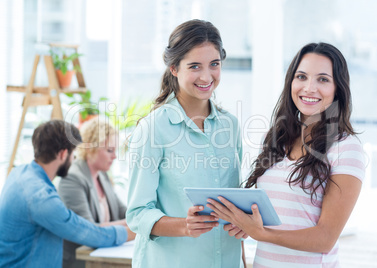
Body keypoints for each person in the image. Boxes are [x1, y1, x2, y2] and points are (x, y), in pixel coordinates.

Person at [207, 42, 366, 267]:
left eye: (323, 79)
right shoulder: (276, 140)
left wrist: (261, 234)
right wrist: (245, 223)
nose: (309, 88)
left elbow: (325, 238)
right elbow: (275, 216)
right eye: (301, 77)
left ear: (337, 89)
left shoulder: (346, 149)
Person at [125, 19, 246, 268]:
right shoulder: (153, 129)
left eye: (214, 64)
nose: (206, 76)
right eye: (194, 66)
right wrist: (184, 225)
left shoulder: (230, 125)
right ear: (174, 68)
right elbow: (137, 214)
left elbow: (233, 201)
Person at [0, 120, 134, 268]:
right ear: (64, 154)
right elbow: (85, 231)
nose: (74, 159)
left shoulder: (19, 173)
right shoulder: (40, 197)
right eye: (73, 154)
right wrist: (136, 231)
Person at [59, 118, 135, 268]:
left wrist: (138, 216)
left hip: (102, 255)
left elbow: (124, 212)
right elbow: (88, 228)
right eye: (109, 150)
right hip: (79, 260)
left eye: (115, 150)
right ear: (90, 148)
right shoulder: (72, 178)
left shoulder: (102, 175)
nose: (114, 156)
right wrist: (132, 224)